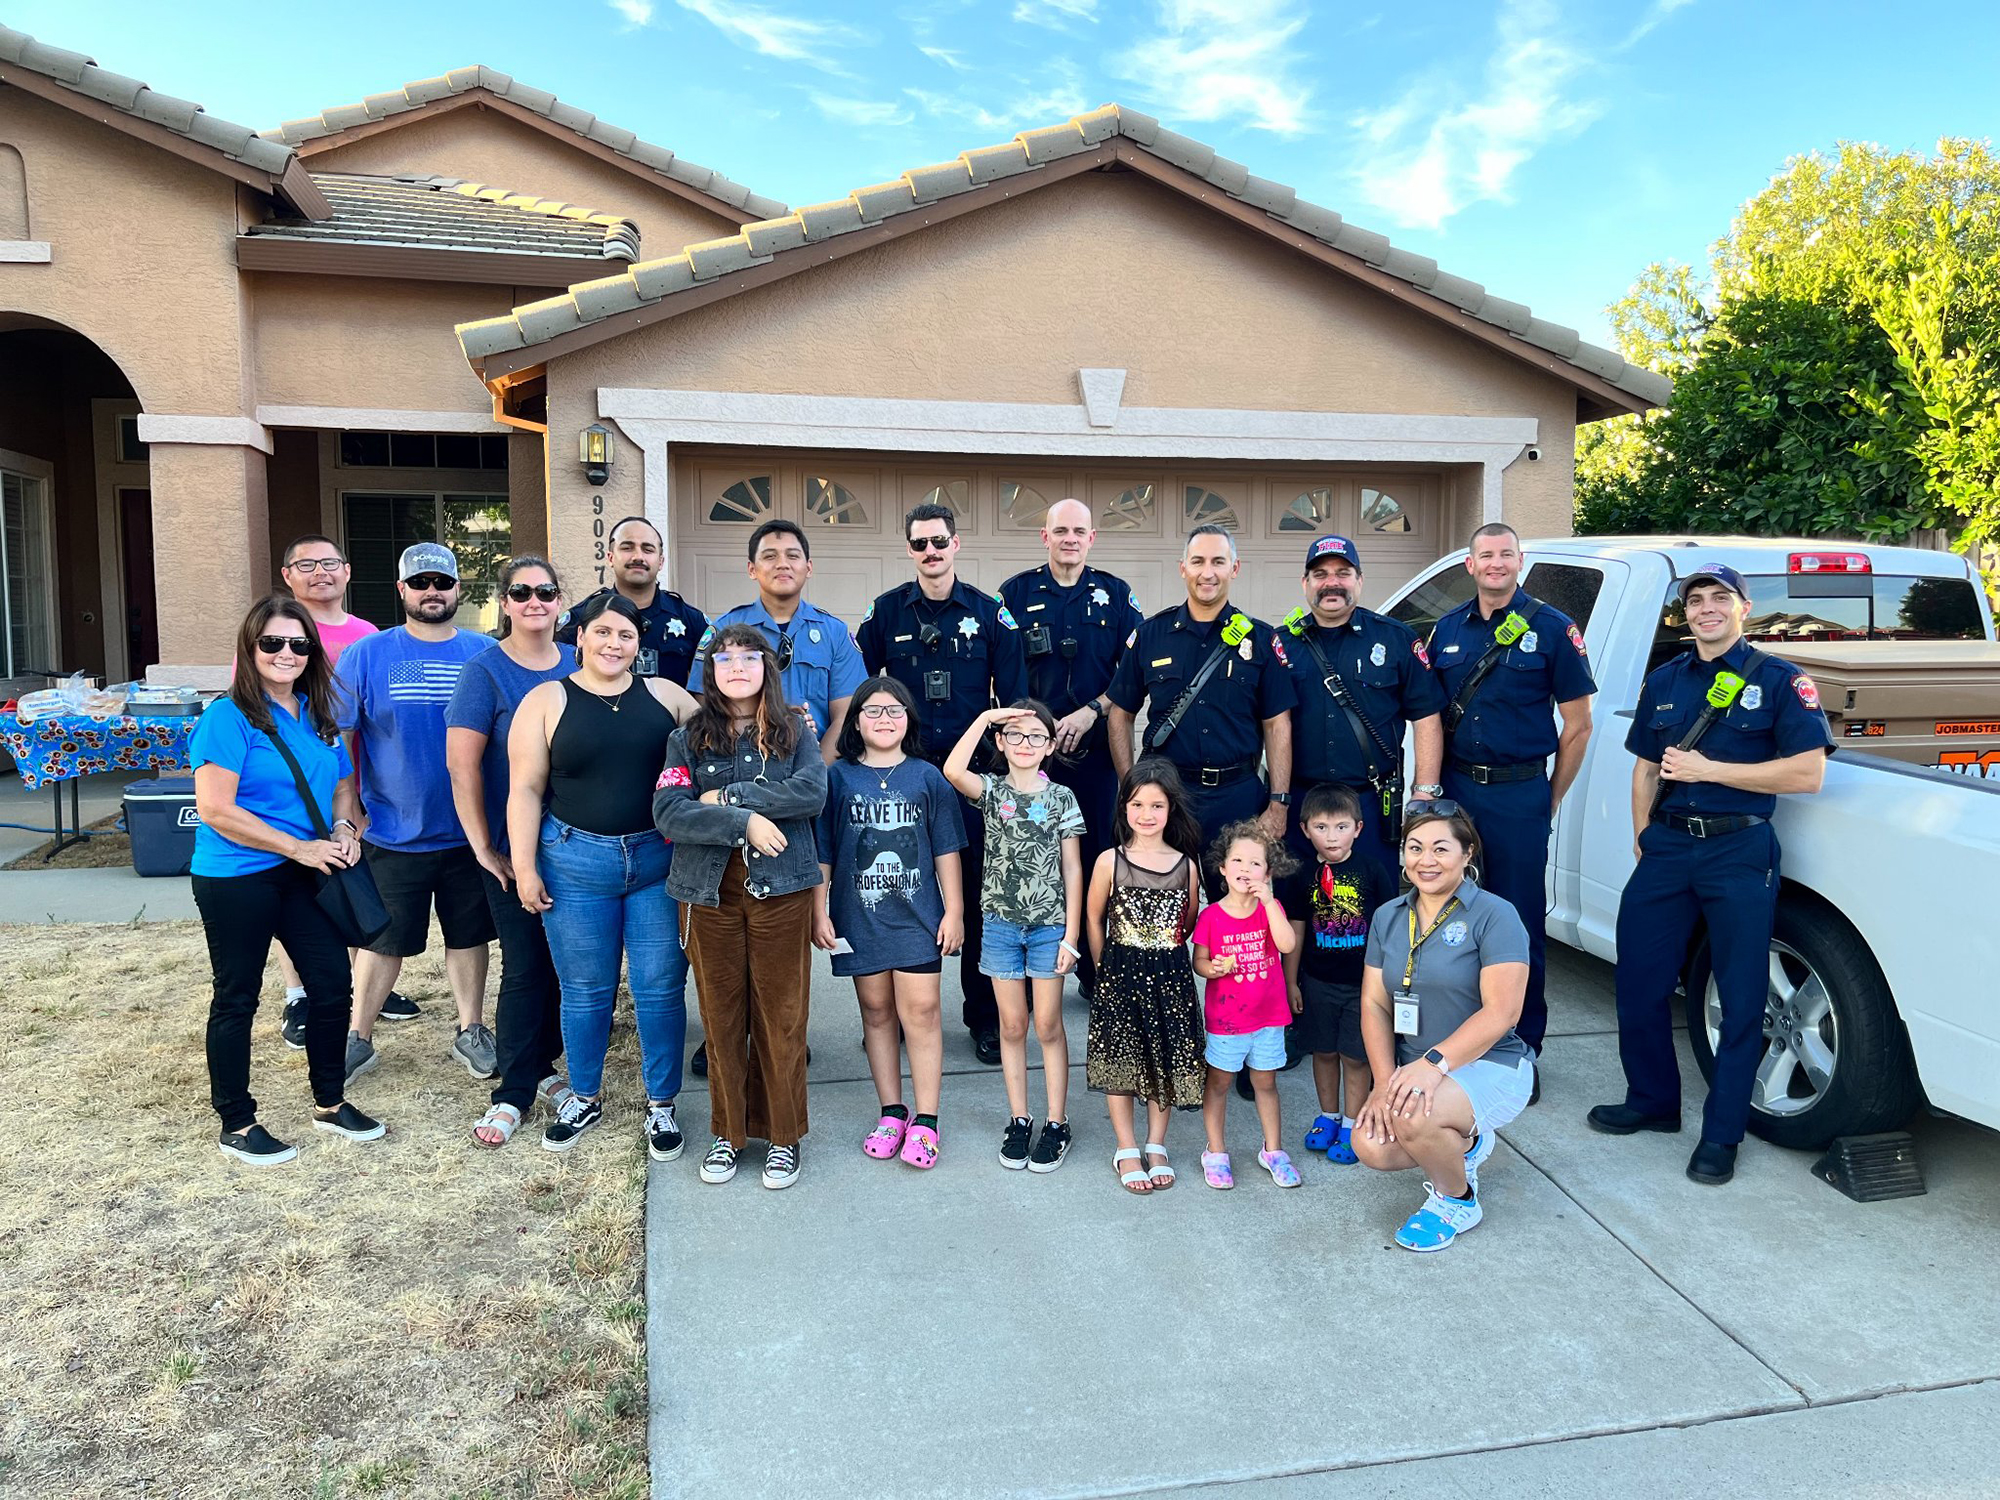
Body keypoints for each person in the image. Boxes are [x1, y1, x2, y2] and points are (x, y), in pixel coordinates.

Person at [1590, 563, 1832, 1186]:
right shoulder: (1666, 679)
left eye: (1719, 598)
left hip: (1738, 851)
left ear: (1744, 607)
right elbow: (1646, 767)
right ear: (1685, 614)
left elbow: (1807, 773)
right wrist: (1642, 835)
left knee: (1742, 995)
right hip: (1668, 849)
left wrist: (1711, 771)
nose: (1706, 609)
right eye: (1695, 600)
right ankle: (1651, 1101)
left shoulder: (1781, 681)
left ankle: (1721, 1135)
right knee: (1639, 981)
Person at [189, 596, 382, 1164]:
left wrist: (346, 827)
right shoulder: (226, 717)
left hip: (306, 873)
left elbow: (344, 785)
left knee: (330, 985)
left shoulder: (318, 715)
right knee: (237, 997)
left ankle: (328, 1101)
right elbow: (216, 809)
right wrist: (299, 847)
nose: (286, 653)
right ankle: (237, 1121)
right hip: (237, 877)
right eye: (272, 643)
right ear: (250, 650)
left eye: (299, 644)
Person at [508, 592, 698, 1155]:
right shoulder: (546, 701)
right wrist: (523, 867)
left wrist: (786, 721)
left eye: (626, 635)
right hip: (574, 862)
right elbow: (524, 789)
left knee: (659, 988)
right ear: (581, 637)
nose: (614, 644)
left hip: (658, 861)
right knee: (586, 989)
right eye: (603, 633)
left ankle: (661, 1106)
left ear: (639, 645)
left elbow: (727, 733)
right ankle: (584, 1096)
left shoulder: (666, 696)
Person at [687, 517, 864, 1080]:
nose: (781, 562)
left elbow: (844, 715)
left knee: (790, 911)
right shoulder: (726, 630)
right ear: (751, 569)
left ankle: (782, 1034)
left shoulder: (833, 633)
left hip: (803, 790)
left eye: (793, 554)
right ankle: (729, 1032)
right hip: (731, 804)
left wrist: (811, 765)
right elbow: (703, 708)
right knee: (730, 916)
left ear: (809, 567)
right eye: (769, 554)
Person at [654, 624, 829, 1190]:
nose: (735, 667)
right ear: (710, 670)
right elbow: (670, 813)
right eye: (724, 658)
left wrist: (732, 798)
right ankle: (727, 1136)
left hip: (781, 891)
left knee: (781, 1017)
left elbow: (812, 793)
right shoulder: (688, 738)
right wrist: (744, 823)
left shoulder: (795, 729)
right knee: (722, 1017)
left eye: (748, 658)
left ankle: (782, 1139)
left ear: (766, 669)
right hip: (710, 892)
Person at [857, 502, 1028, 1065]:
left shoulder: (990, 613)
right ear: (910, 550)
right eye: (920, 544)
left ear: (956, 543)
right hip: (901, 776)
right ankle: (903, 1014)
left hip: (972, 778)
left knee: (978, 899)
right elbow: (858, 694)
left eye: (939, 541)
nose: (930, 551)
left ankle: (983, 1017)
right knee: (901, 890)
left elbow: (1018, 701)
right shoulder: (885, 614)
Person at [1426, 523, 1595, 1090]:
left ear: (1520, 561)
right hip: (1456, 795)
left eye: (1505, 554)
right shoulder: (1446, 630)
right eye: (1485, 555)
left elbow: (1578, 727)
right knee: (1450, 919)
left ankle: (1520, 1046)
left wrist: (1547, 800)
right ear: (1469, 565)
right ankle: (1456, 1040)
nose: (1495, 564)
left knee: (1516, 925)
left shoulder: (1552, 629)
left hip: (1520, 793)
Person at [334, 544, 497, 1085]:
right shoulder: (367, 654)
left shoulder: (484, 654)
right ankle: (358, 1036)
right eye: (421, 582)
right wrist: (348, 804)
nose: (433, 591)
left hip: (470, 832)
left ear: (458, 591)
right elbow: (340, 736)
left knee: (469, 936)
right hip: (393, 830)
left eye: (443, 582)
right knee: (383, 941)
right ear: (401, 590)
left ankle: (470, 1030)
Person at [1354, 803, 1533, 1252]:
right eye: (1414, 848)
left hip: (1491, 1063)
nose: (1425, 860)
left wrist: (1433, 1064)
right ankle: (1465, 1144)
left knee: (1414, 1114)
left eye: (1440, 848)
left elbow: (1502, 1013)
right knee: (1370, 1145)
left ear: (1467, 853)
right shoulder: (1389, 916)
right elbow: (1375, 1003)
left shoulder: (1496, 914)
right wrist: (1381, 1083)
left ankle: (1457, 1200)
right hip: (1416, 1071)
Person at [445, 556, 579, 1147]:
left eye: (544, 592)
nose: (533, 602)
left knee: (566, 966)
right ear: (504, 602)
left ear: (559, 600)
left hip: (582, 845)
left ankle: (545, 1066)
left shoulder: (582, 661)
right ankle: (514, 1090)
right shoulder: (485, 672)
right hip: (513, 848)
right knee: (526, 965)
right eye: (520, 592)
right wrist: (484, 847)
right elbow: (461, 766)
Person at [814, 677, 967, 1170]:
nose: (884, 719)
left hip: (918, 917)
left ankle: (926, 1120)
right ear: (855, 721)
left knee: (920, 1012)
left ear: (909, 719)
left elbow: (946, 848)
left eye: (895, 710)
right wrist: (819, 909)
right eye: (873, 710)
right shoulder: (837, 778)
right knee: (877, 1012)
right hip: (859, 916)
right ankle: (892, 1112)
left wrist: (955, 910)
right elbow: (824, 853)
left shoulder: (928, 777)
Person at [998, 498, 1143, 1002]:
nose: (1070, 539)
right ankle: (1024, 968)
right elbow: (1000, 672)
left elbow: (1132, 675)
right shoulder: (1014, 595)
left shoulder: (1116, 595)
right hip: (1032, 758)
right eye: (1060, 530)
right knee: (1032, 862)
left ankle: (1098, 971)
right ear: (1045, 537)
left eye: (1079, 530)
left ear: (1091, 537)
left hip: (1097, 757)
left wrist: (1093, 710)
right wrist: (1035, 726)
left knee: (1101, 861)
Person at [1106, 524, 1296, 899]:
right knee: (1160, 910)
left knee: (1237, 912)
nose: (1207, 572)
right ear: (1183, 568)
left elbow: (1278, 725)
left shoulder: (1260, 639)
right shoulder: (1151, 635)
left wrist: (1278, 803)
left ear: (1234, 568)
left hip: (1238, 799)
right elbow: (1120, 714)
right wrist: (1133, 790)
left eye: (1218, 562)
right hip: (1169, 797)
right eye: (1198, 561)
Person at [943, 701, 1086, 1173]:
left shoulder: (1062, 797)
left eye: (1037, 737)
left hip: (1048, 927)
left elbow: (1071, 868)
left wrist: (1072, 935)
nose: (1026, 744)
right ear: (1002, 743)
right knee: (1011, 1025)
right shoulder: (990, 790)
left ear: (1049, 747)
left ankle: (1057, 1121)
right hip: (1000, 925)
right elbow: (952, 768)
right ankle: (1020, 1118)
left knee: (1047, 1024)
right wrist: (985, 719)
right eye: (1017, 735)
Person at [274, 533, 390, 1045]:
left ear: (347, 572)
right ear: (288, 576)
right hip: (293, 786)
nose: (321, 572)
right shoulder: (275, 631)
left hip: (352, 783)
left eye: (330, 563)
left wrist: (360, 794)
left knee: (353, 884)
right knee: (300, 888)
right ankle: (299, 993)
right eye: (307, 564)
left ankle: (350, 984)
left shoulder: (368, 635)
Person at [1277, 534, 1443, 873]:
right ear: (1305, 583)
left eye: (1343, 573)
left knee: (1371, 907)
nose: (1332, 583)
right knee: (1298, 911)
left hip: (1370, 803)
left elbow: (1426, 719)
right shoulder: (1281, 644)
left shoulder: (1395, 639)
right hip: (1301, 805)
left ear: (1360, 580)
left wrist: (1424, 792)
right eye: (1321, 575)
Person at [1084, 759, 1205, 1195]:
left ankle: (1157, 1143)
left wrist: (1163, 945)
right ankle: (1126, 1146)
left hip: (1170, 975)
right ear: (1124, 807)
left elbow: (1188, 920)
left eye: (1156, 805)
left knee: (1164, 1060)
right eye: (1137, 804)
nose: (1147, 814)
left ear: (1171, 809)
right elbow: (1094, 918)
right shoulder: (1108, 861)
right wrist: (1103, 968)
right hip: (1120, 972)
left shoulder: (1186, 865)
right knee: (1121, 1062)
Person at [1278, 783, 1396, 1164]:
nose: (1332, 836)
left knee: (1356, 1057)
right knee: (1324, 1052)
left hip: (1363, 987)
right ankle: (1328, 1116)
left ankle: (1351, 1123)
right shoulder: (1301, 874)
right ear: (1305, 828)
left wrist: (1384, 984)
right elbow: (1296, 927)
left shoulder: (1372, 870)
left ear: (1358, 829)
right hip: (1317, 981)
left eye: (1342, 827)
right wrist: (1291, 981)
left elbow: (1386, 928)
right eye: (1322, 827)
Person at [1192, 822, 1302, 1189]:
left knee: (1265, 1083)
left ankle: (1273, 1150)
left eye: (1255, 863)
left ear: (1268, 873)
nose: (1245, 868)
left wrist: (1270, 903)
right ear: (1222, 868)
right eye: (1237, 860)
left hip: (1268, 1018)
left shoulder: (1271, 909)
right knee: (1220, 1083)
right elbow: (1200, 963)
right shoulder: (1211, 916)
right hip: (1227, 1021)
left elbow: (1287, 945)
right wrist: (1215, 968)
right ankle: (1216, 1151)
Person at [557, 515, 707, 686]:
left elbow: (708, 685)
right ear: (611, 557)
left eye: (648, 549)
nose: (638, 556)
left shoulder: (691, 621)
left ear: (661, 561)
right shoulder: (581, 618)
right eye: (627, 548)